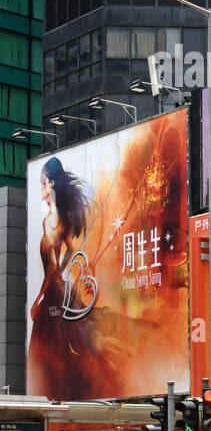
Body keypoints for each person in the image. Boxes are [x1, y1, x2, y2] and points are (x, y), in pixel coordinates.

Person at [27, 157, 132, 400]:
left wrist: (38, 299)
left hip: (54, 294)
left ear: (52, 184)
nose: (41, 188)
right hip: (59, 291)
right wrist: (62, 274)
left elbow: (53, 267)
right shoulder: (59, 220)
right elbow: (70, 253)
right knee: (67, 348)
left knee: (53, 353)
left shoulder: (50, 222)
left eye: (43, 182)